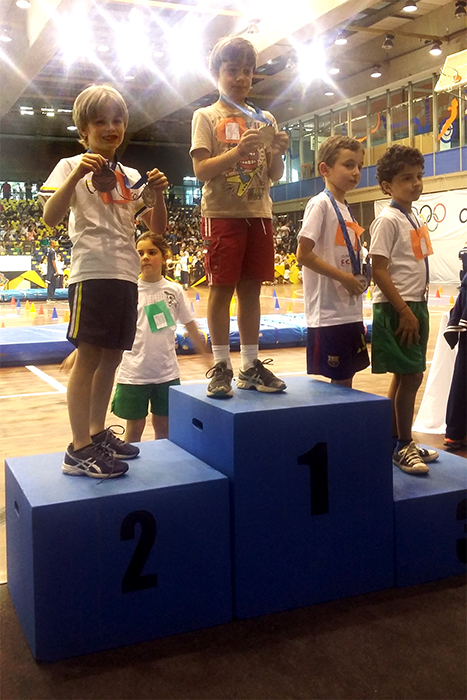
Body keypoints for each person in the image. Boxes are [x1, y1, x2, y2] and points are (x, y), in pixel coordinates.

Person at [40, 84, 168, 479]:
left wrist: (159, 195)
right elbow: (50, 217)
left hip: (125, 273)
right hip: (92, 271)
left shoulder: (130, 176)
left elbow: (157, 228)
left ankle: (96, 433)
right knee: (90, 358)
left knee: (112, 357)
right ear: (84, 130)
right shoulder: (69, 166)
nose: (110, 128)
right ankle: (78, 447)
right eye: (100, 122)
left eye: (117, 120)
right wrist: (79, 173)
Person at [190, 36, 289, 398]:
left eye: (247, 71)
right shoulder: (206, 116)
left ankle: (249, 365)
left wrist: (277, 152)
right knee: (221, 289)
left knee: (251, 291)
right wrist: (236, 153)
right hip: (222, 214)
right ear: (216, 73)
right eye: (232, 70)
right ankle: (221, 366)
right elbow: (201, 170)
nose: (241, 78)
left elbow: (274, 174)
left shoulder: (265, 119)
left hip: (259, 213)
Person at [369, 145, 439, 475]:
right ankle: (403, 445)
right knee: (412, 375)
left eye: (419, 176)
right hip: (399, 306)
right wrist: (403, 310)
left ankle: (395, 439)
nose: (416, 183)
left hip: (416, 303)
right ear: (387, 186)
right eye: (406, 178)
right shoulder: (387, 220)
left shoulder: (413, 217)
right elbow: (378, 270)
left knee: (404, 374)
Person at [111, 232, 211, 442]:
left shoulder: (174, 290)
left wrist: (206, 355)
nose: (145, 257)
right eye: (140, 253)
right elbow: (111, 326)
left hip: (166, 372)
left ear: (165, 257)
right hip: (134, 373)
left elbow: (190, 324)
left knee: (164, 428)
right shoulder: (129, 289)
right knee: (134, 429)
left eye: (152, 252)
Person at [296, 135, 370, 388]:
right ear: (325, 169)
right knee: (339, 382)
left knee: (347, 379)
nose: (356, 172)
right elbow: (303, 254)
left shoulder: (346, 208)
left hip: (349, 310)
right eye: (348, 165)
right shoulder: (320, 204)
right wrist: (344, 278)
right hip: (328, 314)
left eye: (359, 166)